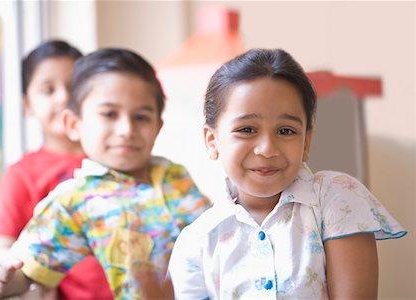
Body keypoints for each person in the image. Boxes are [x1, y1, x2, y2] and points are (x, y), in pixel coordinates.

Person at [168, 48, 407, 299]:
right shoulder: (196, 242)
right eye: (247, 129)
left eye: (285, 131)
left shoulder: (337, 197)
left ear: (306, 142)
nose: (267, 149)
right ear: (212, 141)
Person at [0, 48, 210, 300]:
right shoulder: (74, 199)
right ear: (74, 124)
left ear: (157, 127)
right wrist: (2, 282)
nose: (126, 129)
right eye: (109, 114)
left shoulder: (175, 175)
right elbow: (30, 269)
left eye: (141, 117)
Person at [0, 40, 113, 299]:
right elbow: (2, 250)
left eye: (73, 86)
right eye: (47, 89)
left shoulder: (117, 161)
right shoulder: (23, 174)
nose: (64, 96)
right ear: (27, 105)